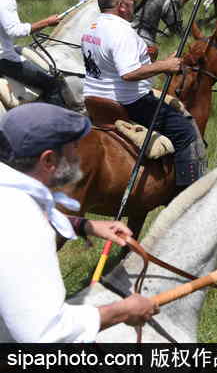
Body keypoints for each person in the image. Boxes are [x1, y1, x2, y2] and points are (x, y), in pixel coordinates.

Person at [0, 103, 159, 342]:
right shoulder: (27, 227)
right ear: (49, 160)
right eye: (74, 148)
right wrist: (123, 311)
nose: (78, 156)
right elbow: (46, 335)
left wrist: (86, 225)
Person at [81, 0, 206, 188]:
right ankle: (189, 189)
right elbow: (128, 74)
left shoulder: (92, 27)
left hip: (95, 99)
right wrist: (164, 65)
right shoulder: (121, 32)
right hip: (129, 102)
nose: (134, 7)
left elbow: (111, 67)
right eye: (132, 3)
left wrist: (158, 65)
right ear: (121, 7)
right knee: (185, 131)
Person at [0, 0, 66, 105]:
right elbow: (14, 30)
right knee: (52, 84)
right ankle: (57, 123)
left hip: (7, 47)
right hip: (3, 56)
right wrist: (46, 22)